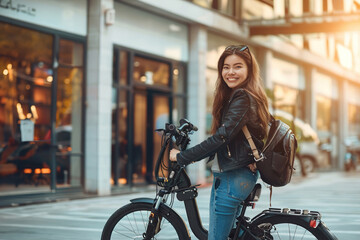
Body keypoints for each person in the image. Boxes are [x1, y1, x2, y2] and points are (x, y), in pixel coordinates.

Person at [169, 45, 271, 240]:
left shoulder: (242, 97)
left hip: (233, 178)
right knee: (232, 235)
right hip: (234, 175)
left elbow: (221, 138)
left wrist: (183, 156)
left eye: (238, 66)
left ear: (249, 69)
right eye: (226, 67)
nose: (230, 72)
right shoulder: (244, 95)